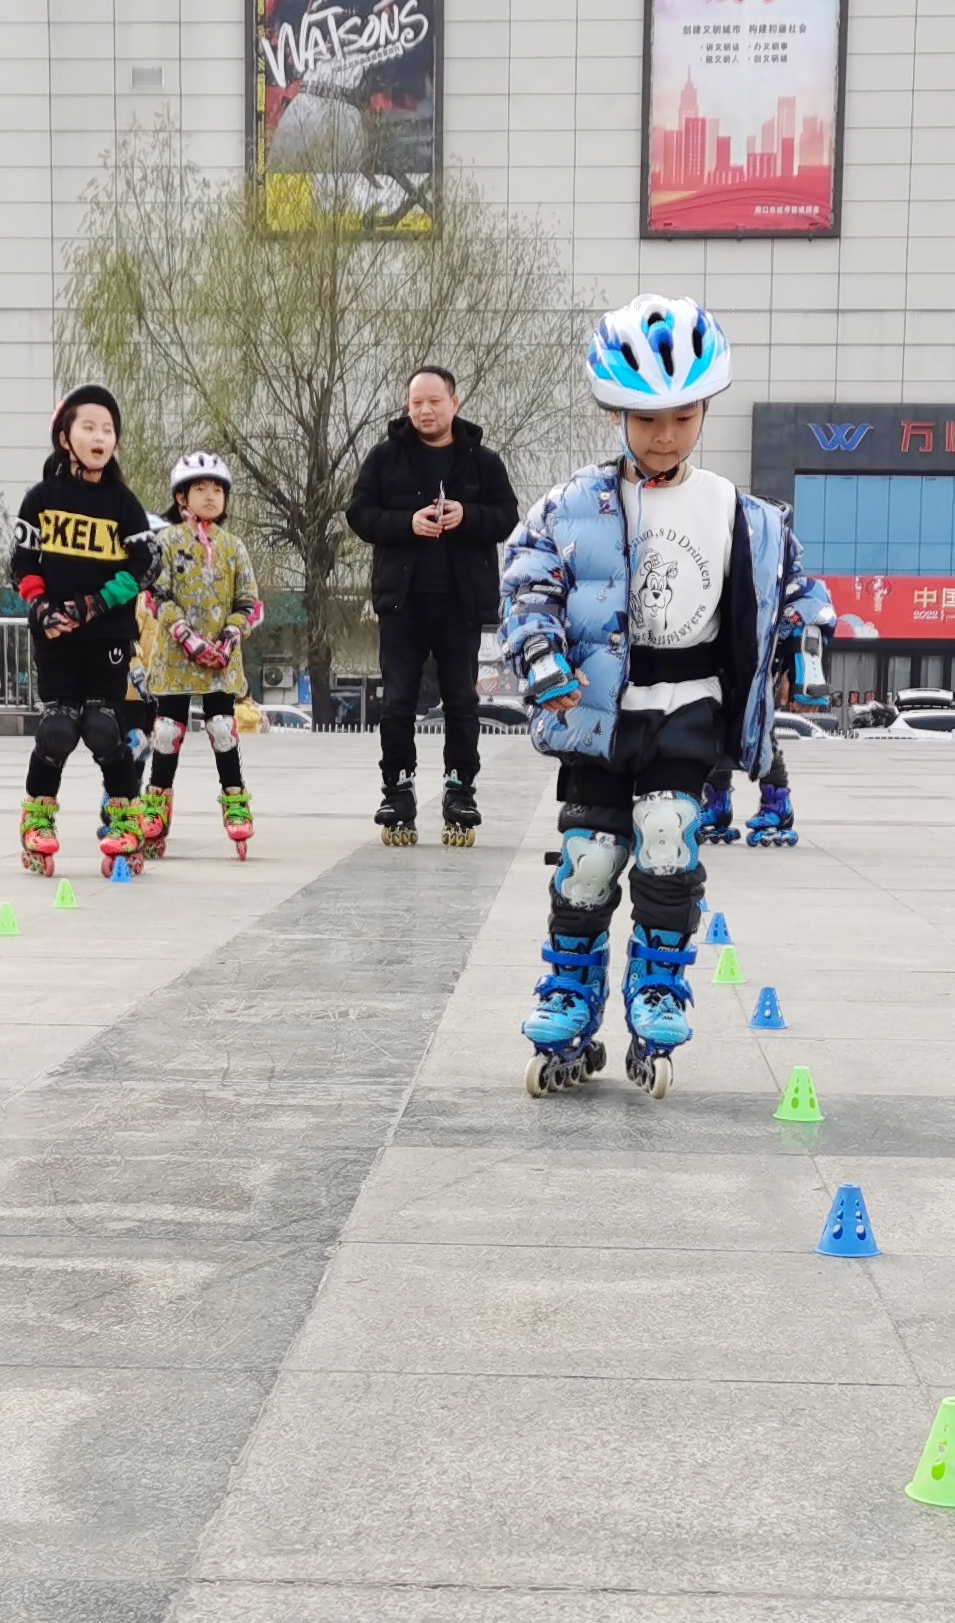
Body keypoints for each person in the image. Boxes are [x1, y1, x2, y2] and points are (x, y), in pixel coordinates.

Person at [500, 294, 826, 1099]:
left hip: (689, 699)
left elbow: (790, 586)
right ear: (615, 412)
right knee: (588, 856)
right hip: (598, 705)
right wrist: (539, 653)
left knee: (668, 832)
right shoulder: (570, 504)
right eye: (646, 418)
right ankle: (569, 994)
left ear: (705, 408)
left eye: (681, 416)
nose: (664, 435)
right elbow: (527, 581)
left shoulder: (738, 511)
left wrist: (802, 639)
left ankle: (657, 986)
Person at [347, 366, 521, 847]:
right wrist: (407, 523)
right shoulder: (385, 457)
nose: (424, 411)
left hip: (460, 603)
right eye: (416, 403)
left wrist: (468, 515)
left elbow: (507, 516)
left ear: (454, 404)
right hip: (400, 603)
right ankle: (397, 790)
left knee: (462, 700)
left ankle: (460, 789)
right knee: (398, 700)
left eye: (434, 402)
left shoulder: (482, 461)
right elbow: (359, 514)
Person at [11, 384, 154, 879]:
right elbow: (22, 564)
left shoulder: (123, 503)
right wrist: (41, 608)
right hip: (56, 640)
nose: (99, 437)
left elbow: (144, 567)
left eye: (108, 430)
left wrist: (93, 605)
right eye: (89, 427)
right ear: (64, 437)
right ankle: (37, 818)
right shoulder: (41, 499)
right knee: (57, 728)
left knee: (102, 727)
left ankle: (126, 820)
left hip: (107, 638)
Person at [138, 452, 265, 861]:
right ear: (181, 497)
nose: (210, 496)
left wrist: (229, 637)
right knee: (166, 733)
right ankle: (156, 807)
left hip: (221, 660)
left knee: (223, 728)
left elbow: (249, 602)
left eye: (217, 490)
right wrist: (186, 637)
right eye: (200, 488)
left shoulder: (233, 546)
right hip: (177, 657)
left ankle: (235, 801)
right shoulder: (167, 542)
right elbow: (156, 594)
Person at [698, 589, 833, 848]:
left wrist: (797, 673)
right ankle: (717, 803)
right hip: (722, 648)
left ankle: (777, 804)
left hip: (759, 657)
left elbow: (810, 608)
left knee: (760, 732)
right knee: (718, 729)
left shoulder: (782, 573)